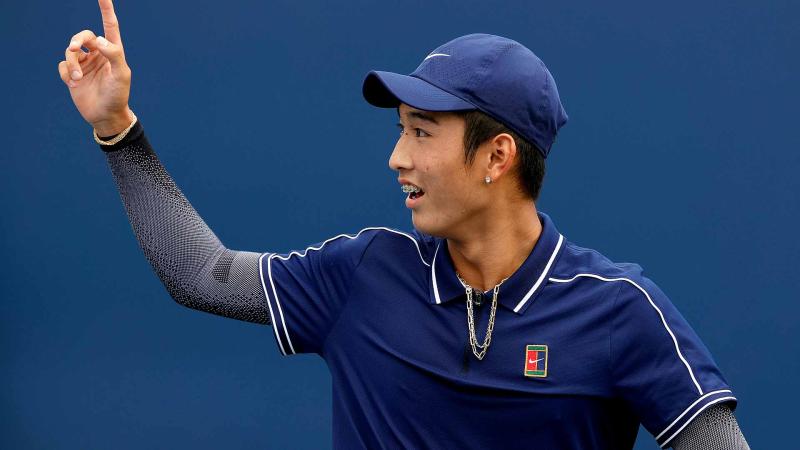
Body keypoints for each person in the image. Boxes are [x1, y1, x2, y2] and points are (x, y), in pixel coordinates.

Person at [58, 1, 751, 449]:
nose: (397, 157)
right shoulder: (361, 275)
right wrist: (118, 129)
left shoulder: (620, 311)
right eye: (400, 131)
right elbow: (196, 273)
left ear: (497, 156)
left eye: (422, 133)